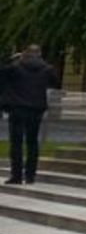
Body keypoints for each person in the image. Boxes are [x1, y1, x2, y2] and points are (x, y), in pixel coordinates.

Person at [1, 44, 61, 185]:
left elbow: (2, 75)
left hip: (17, 108)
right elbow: (56, 83)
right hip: (36, 109)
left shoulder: (15, 68)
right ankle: (30, 175)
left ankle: (16, 175)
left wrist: (13, 60)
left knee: (16, 143)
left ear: (24, 54)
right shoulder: (47, 69)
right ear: (40, 54)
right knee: (32, 142)